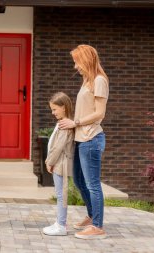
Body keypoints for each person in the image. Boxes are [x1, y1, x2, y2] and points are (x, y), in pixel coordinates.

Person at [59, 44, 109, 239]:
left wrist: (75, 122)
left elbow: (99, 113)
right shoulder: (87, 81)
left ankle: (98, 226)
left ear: (86, 60)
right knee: (80, 181)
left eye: (77, 62)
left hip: (91, 138)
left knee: (92, 183)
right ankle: (91, 216)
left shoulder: (99, 80)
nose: (75, 67)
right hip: (81, 138)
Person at [42, 92, 74, 236]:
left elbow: (58, 147)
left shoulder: (65, 125)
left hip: (60, 164)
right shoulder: (62, 122)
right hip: (58, 162)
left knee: (61, 195)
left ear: (64, 108)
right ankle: (60, 222)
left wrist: (49, 161)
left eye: (55, 109)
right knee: (60, 194)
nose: (53, 112)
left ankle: (61, 225)